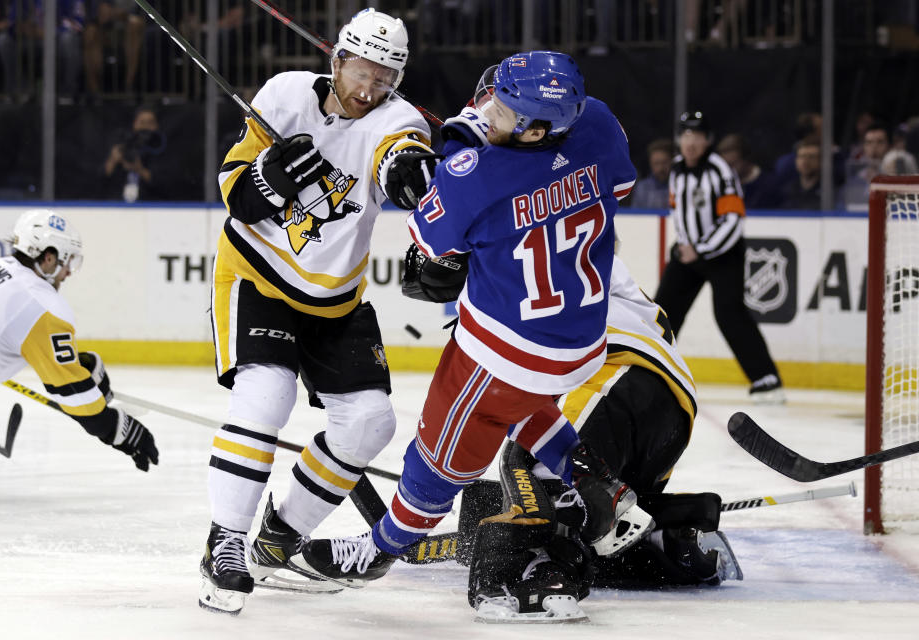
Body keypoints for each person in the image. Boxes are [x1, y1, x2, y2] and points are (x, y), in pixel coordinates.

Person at [292, 50, 645, 605]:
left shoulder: (474, 174)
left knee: (436, 457)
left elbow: (431, 246)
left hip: (503, 352)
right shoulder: (597, 122)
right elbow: (617, 188)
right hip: (580, 340)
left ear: (534, 129)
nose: (490, 111)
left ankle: (384, 547)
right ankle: (598, 483)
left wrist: (458, 143)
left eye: (504, 110)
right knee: (527, 403)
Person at [198, 8, 439, 615]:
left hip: (335, 298)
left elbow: (398, 154)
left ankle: (278, 539)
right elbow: (237, 197)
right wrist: (269, 180)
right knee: (266, 395)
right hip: (256, 276)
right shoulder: (282, 95)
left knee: (369, 423)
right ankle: (225, 542)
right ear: (336, 60)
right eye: (360, 71)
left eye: (384, 78)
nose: (368, 89)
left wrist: (410, 174)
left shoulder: (398, 119)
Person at [461, 255, 741, 622]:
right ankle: (664, 539)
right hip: (668, 407)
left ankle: (544, 571)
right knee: (597, 515)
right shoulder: (601, 263)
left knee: (541, 464)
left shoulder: (532, 248)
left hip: (618, 376)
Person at [0, 209, 159, 512]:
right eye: (68, 261)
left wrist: (79, 371)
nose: (68, 272)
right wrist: (118, 428)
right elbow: (78, 401)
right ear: (49, 257)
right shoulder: (43, 305)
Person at [654, 110, 784, 403]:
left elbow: (733, 220)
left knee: (729, 313)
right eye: (686, 135)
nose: (691, 142)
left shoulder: (719, 170)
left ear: (707, 140)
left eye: (697, 136)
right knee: (663, 312)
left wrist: (700, 249)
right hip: (688, 252)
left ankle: (767, 379)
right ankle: (652, 372)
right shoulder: (676, 169)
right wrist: (685, 245)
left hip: (723, 254)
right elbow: (678, 211)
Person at [102, 105, 182, 202]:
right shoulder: (123, 143)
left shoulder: (162, 149)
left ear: (156, 126)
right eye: (142, 122)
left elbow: (168, 186)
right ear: (134, 124)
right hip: (117, 205)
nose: (145, 127)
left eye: (150, 123)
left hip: (150, 205)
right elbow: (100, 181)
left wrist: (140, 170)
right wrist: (112, 161)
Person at [716, 133, 781, 208]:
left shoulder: (770, 184)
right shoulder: (721, 186)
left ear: (746, 158)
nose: (729, 170)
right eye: (725, 166)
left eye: (733, 164)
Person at [628, 138, 672, 209]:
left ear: (671, 162)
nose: (661, 168)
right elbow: (635, 216)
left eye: (664, 162)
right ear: (650, 164)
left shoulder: (678, 185)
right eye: (656, 163)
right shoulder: (642, 188)